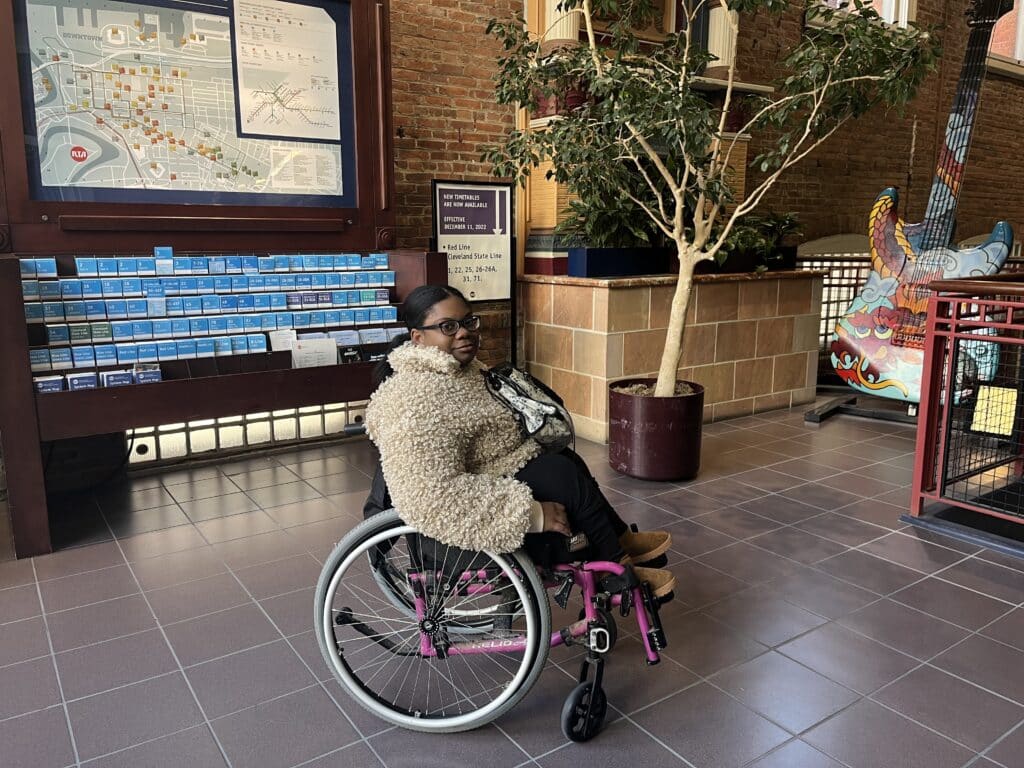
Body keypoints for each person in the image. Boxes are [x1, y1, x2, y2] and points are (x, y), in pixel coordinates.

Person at [364, 284, 675, 597]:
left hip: (496, 464)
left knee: (567, 461)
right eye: (448, 327)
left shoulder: (465, 370)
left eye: (469, 322)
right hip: (471, 490)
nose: (464, 333)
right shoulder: (411, 402)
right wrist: (532, 514)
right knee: (560, 474)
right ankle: (616, 570)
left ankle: (618, 538)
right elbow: (431, 498)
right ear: (419, 338)